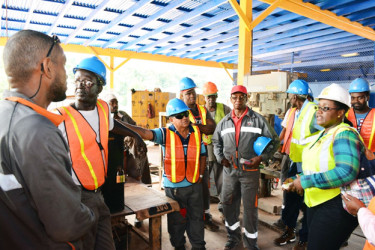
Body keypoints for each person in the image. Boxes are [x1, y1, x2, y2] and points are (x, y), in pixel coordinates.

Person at [0, 30, 95, 249]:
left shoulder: (6, 115)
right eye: (63, 65)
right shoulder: (36, 130)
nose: (67, 76)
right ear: (47, 67)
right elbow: (67, 225)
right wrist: (90, 214)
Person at [56, 56, 146, 250]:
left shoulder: (103, 109)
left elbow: (113, 126)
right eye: (77, 80)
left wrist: (136, 136)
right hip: (76, 196)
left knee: (106, 244)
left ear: (99, 87)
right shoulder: (60, 117)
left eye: (87, 81)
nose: (80, 86)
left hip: (99, 194)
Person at [120, 98, 207, 250]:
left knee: (197, 219)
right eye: (179, 116)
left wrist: (200, 176)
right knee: (176, 221)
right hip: (174, 188)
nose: (185, 117)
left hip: (194, 186)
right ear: (171, 119)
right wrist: (119, 125)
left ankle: (198, 246)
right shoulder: (165, 134)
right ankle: (179, 246)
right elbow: (144, 133)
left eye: (186, 114)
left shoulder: (197, 132)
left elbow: (203, 154)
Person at [290, 83, 362, 250]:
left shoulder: (344, 134)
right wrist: (297, 179)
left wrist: (307, 181)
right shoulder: (324, 133)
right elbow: (319, 166)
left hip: (336, 204)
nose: (319, 111)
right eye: (318, 107)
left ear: (340, 113)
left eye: (326, 108)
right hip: (317, 203)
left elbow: (346, 172)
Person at [212, 85, 280, 250]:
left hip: (250, 172)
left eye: (241, 97)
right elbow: (216, 142)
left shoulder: (257, 119)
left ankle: (251, 243)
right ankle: (233, 238)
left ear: (246, 98)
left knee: (250, 209)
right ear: (230, 99)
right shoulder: (224, 122)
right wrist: (220, 158)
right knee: (229, 205)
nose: (237, 100)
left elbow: (275, 140)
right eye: (234, 97)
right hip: (229, 172)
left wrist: (262, 158)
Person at [274, 80, 322, 250]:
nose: (289, 98)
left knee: (308, 203)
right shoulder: (297, 111)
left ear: (294, 96)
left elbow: (325, 132)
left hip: (309, 166)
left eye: (290, 95)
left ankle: (305, 238)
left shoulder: (313, 111)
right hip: (295, 162)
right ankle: (289, 230)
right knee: (290, 198)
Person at [179, 77, 219, 231]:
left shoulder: (202, 110)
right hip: (185, 157)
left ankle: (206, 216)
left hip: (201, 155)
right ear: (182, 95)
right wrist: (201, 127)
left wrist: (194, 126)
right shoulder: (180, 111)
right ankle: (188, 218)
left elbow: (211, 127)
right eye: (188, 93)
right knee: (186, 188)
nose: (192, 96)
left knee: (203, 187)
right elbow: (183, 130)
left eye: (193, 93)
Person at [202, 81, 231, 214]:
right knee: (205, 177)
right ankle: (205, 209)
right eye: (208, 97)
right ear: (204, 97)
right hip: (206, 147)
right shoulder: (200, 111)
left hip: (220, 147)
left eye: (213, 96)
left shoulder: (224, 109)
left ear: (217, 96)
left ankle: (223, 204)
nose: (211, 99)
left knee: (221, 177)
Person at [347, 78, 375, 152]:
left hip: (371, 159)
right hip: (352, 157)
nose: (356, 101)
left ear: (367, 97)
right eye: (353, 98)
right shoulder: (345, 114)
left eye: (360, 97)